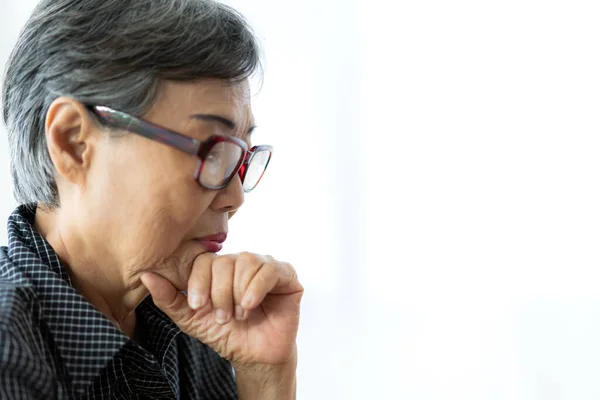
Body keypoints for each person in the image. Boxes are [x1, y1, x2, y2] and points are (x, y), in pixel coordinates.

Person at [0, 0, 303, 398]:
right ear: (74, 143)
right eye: (213, 153)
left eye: (242, 158)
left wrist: (266, 376)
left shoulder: (192, 325)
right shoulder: (9, 350)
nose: (234, 198)